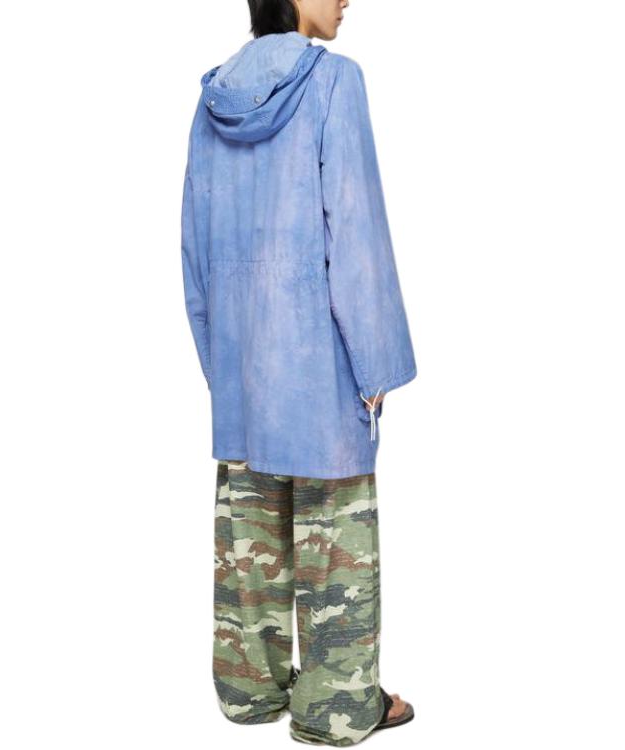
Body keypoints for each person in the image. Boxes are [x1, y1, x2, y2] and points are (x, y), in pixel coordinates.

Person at [181, 0, 417, 744]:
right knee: (334, 543)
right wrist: (377, 362)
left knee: (247, 540)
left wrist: (223, 366)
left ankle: (250, 692)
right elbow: (355, 228)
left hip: (244, 372)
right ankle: (336, 708)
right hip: (321, 366)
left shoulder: (214, 95)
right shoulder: (334, 81)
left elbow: (193, 250)